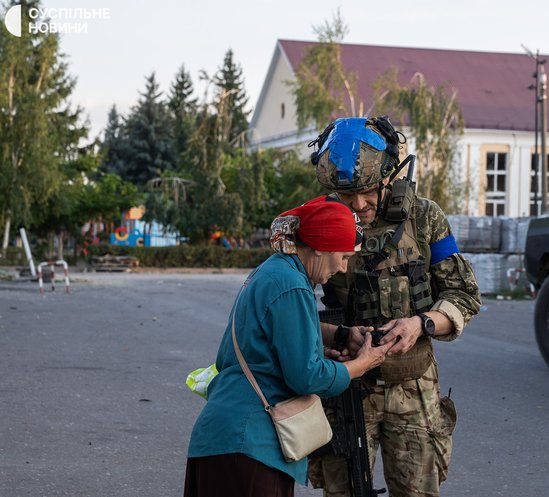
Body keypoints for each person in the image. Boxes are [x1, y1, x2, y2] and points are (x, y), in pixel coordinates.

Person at [308, 116, 482, 497]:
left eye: (368, 190)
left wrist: (421, 324)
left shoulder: (424, 217)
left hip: (414, 390)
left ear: (390, 174)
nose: (358, 204)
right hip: (348, 389)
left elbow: (463, 294)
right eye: (347, 194)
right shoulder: (321, 223)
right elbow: (293, 307)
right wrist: (336, 336)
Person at [184, 196, 394, 497]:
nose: (344, 268)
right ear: (321, 246)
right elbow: (307, 377)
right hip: (249, 445)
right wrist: (363, 363)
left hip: (225, 440)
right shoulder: (292, 284)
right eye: (344, 257)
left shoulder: (274, 271)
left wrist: (338, 335)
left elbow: (276, 328)